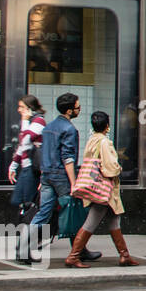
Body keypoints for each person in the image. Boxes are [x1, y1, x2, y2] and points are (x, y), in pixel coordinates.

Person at [24, 92, 101, 263]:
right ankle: (79, 251)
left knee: (42, 213)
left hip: (47, 176)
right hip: (61, 177)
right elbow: (68, 158)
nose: (79, 109)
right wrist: (74, 183)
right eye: (77, 106)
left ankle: (22, 249)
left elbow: (44, 153)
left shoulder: (48, 127)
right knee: (73, 212)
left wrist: (44, 176)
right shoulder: (69, 129)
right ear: (69, 110)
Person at [66, 110, 139, 267]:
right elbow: (110, 168)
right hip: (104, 190)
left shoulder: (92, 140)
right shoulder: (105, 142)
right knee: (91, 222)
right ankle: (73, 256)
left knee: (114, 220)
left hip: (96, 187)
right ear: (107, 126)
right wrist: (119, 168)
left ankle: (124, 255)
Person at [7, 95, 45, 221]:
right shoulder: (31, 121)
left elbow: (25, 141)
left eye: (22, 107)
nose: (19, 110)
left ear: (30, 108)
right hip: (25, 167)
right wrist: (13, 165)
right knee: (17, 200)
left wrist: (24, 121)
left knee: (28, 201)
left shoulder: (39, 121)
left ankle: (30, 231)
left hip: (32, 168)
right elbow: (21, 147)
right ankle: (26, 228)